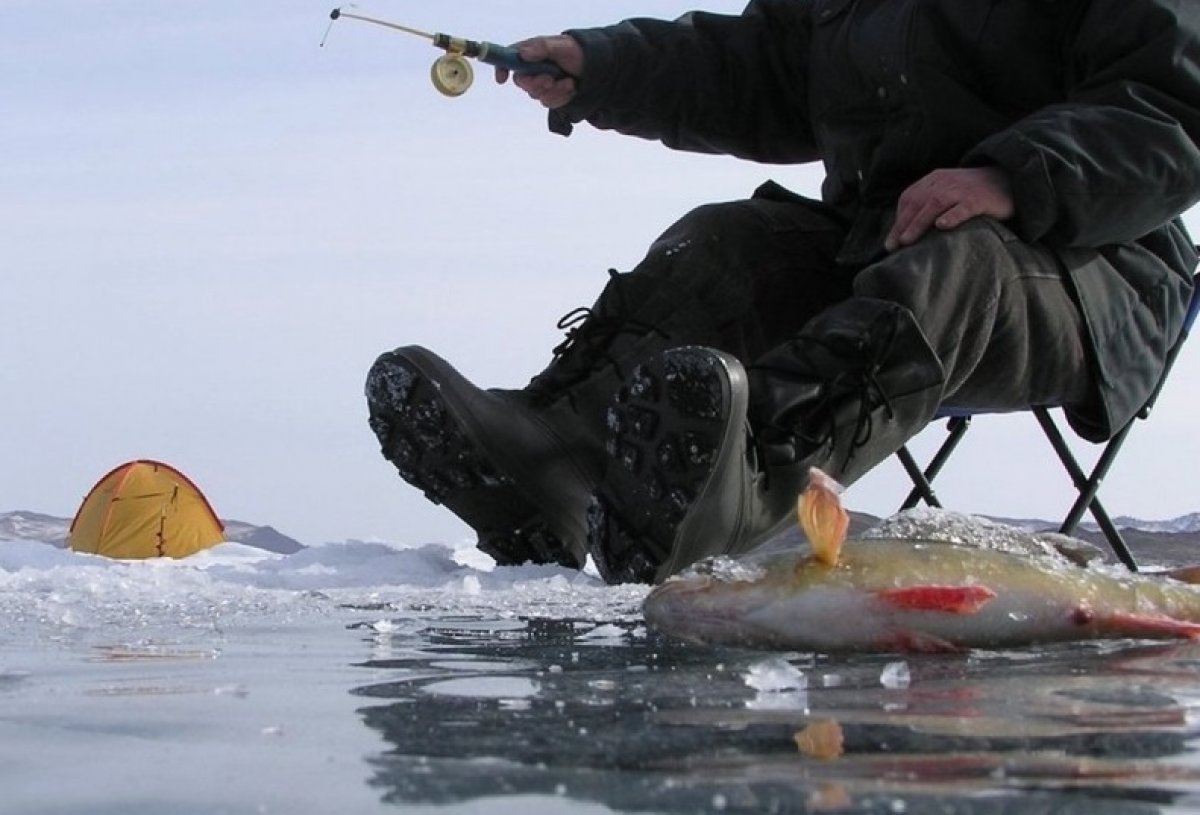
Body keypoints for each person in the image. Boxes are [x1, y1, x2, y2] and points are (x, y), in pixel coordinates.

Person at [365, 0, 1200, 585]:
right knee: (726, 242)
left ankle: (743, 479)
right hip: (879, 242)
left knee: (957, 265)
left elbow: (1175, 103)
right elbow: (760, 66)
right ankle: (552, 459)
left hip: (1088, 266)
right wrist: (606, 67)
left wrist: (1012, 177)